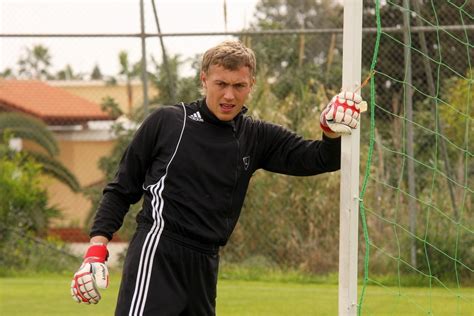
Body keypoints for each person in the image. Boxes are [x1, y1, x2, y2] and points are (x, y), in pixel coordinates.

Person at [70, 40, 363, 315]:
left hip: (206, 264)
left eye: (239, 86)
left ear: (252, 86)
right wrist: (96, 250)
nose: (229, 95)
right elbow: (122, 188)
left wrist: (330, 130)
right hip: (159, 252)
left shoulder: (256, 136)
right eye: (220, 84)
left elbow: (321, 158)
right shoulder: (169, 122)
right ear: (203, 80)